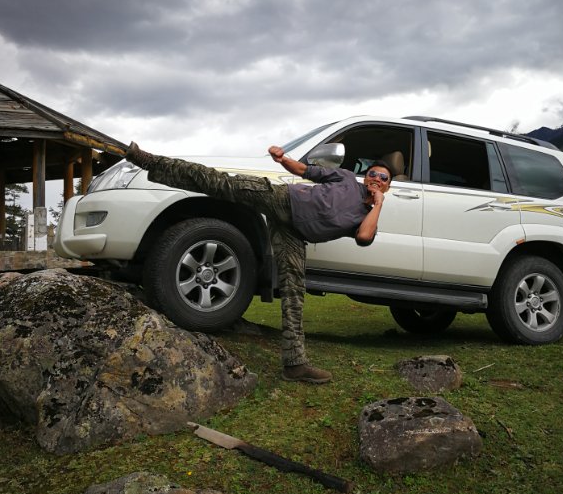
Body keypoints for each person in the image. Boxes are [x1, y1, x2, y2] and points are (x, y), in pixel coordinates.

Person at [126, 141, 393, 384]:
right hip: (283, 198)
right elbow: (304, 171)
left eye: (383, 178)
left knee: (294, 294)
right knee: (219, 183)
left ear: (388, 186)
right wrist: (282, 159)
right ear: (365, 176)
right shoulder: (345, 178)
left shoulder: (366, 216)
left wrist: (377, 204)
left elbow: (363, 237)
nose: (376, 179)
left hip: (294, 234)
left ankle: (295, 364)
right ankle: (149, 161)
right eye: (372, 174)